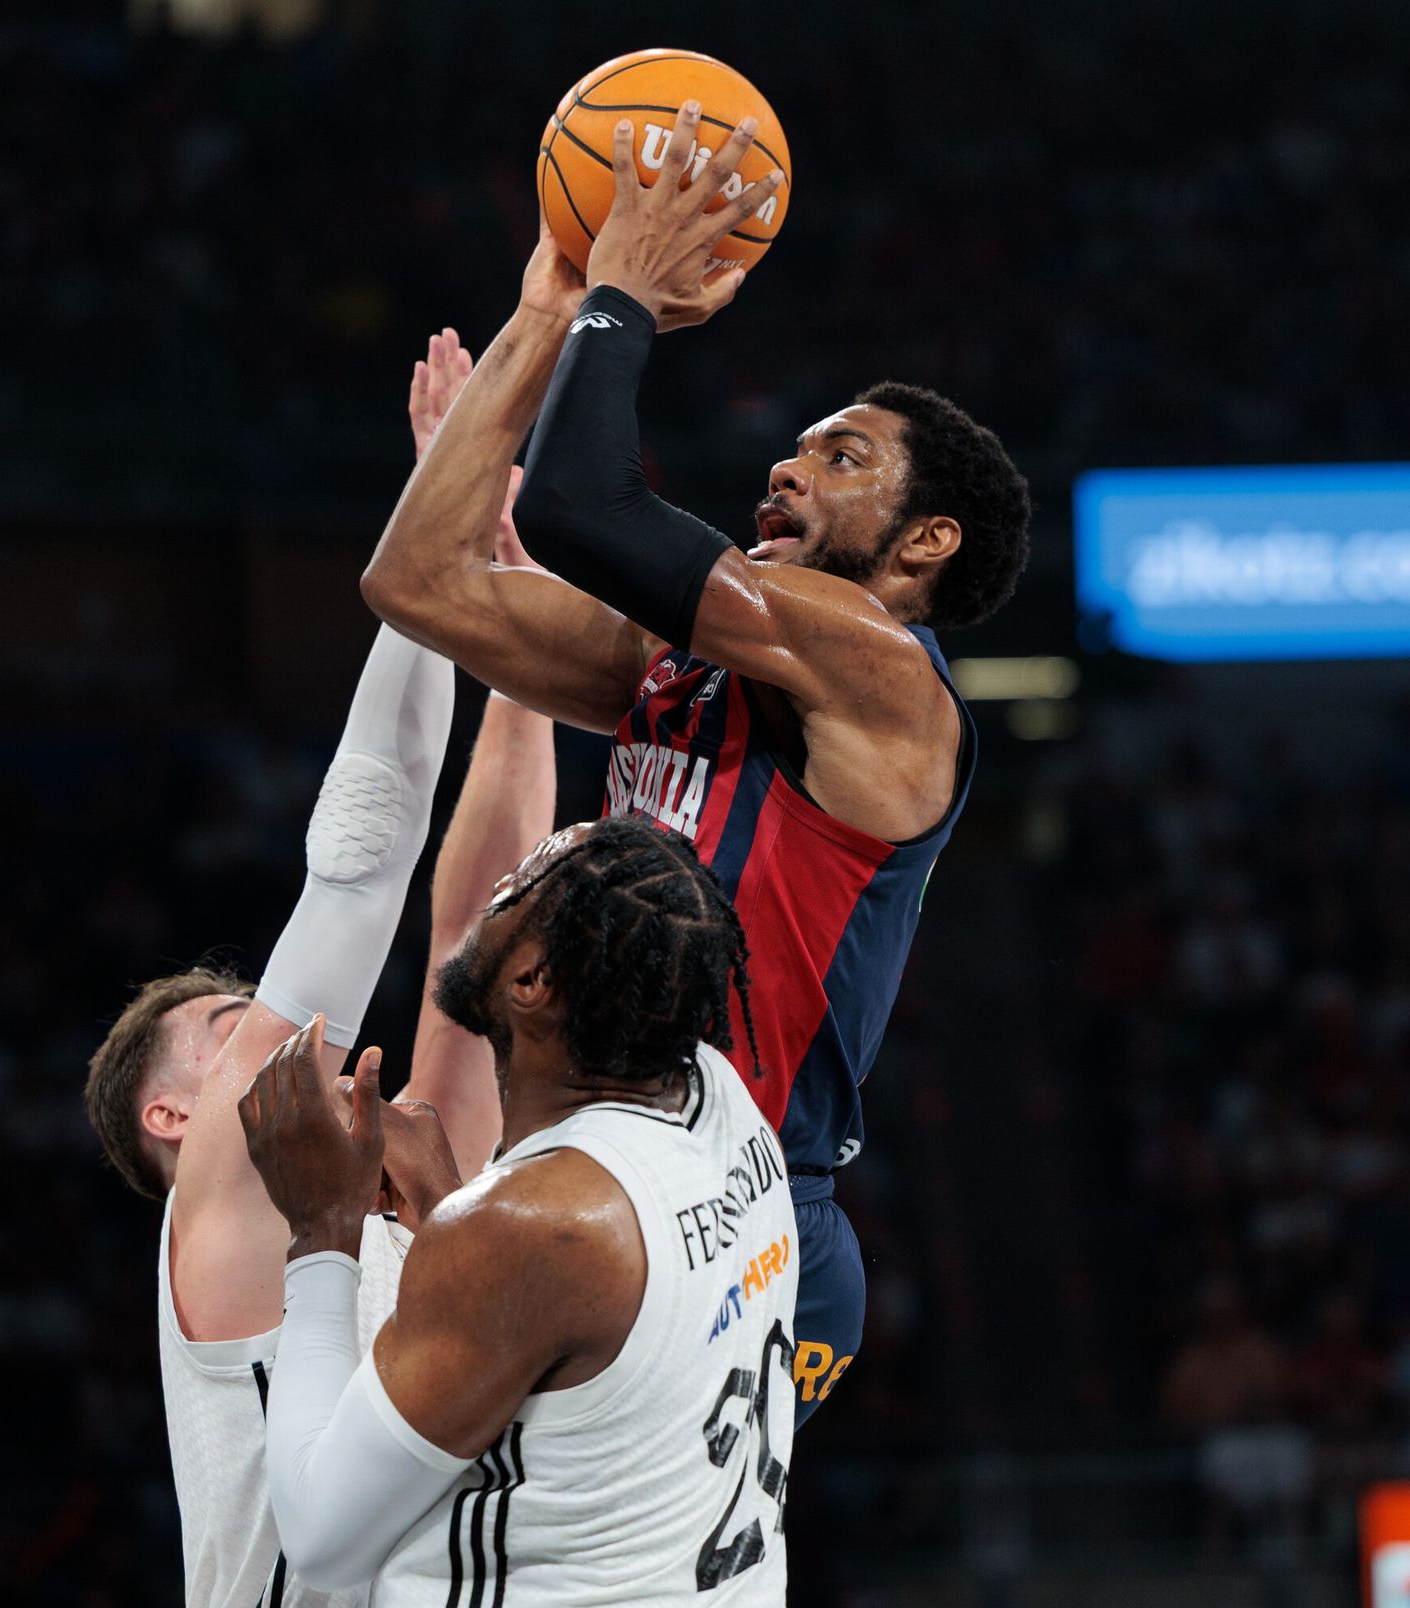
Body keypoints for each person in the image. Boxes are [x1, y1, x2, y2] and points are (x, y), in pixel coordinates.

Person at [359, 104, 1031, 1423]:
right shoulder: (691, 663)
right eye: (798, 444)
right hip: (596, 1165)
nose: (787, 467)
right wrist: (546, 304)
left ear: (926, 543)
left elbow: (576, 510)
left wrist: (618, 294)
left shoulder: (882, 668)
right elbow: (417, 581)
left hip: (739, 1196)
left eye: (843, 458)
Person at [82, 357, 557, 1608]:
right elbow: (360, 867)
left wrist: (511, 629)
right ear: (171, 1122)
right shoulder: (227, 1211)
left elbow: (492, 921)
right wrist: (434, 529)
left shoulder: (403, 1201)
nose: (303, 1049)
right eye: (237, 1032)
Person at [240, 818, 799, 1605]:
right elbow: (589, 1343)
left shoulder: (539, 1225)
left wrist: (321, 1226)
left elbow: (320, 1536)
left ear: (531, 983)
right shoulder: (720, 1101)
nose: (501, 879)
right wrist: (448, 1201)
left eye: (526, 876)